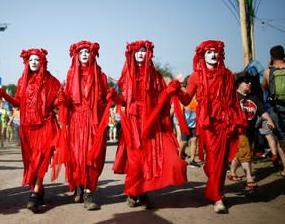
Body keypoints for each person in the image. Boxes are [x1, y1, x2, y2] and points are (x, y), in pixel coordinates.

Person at [169, 40, 245, 213]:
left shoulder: (227, 75)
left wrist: (237, 120)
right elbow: (187, 99)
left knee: (222, 159)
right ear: (202, 55)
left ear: (220, 54)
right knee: (213, 159)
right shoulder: (195, 76)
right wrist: (176, 90)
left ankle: (217, 194)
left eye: (215, 51)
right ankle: (217, 195)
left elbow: (233, 100)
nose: (213, 54)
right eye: (209, 52)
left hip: (224, 122)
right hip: (207, 124)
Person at [111, 40, 187, 209]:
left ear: (148, 54)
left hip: (151, 122)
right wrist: (114, 97)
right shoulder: (126, 76)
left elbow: (161, 100)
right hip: (132, 123)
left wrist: (169, 91)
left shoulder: (156, 76)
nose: (141, 53)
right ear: (132, 54)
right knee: (135, 161)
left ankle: (143, 191)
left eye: (144, 51)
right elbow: (122, 100)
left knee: (149, 159)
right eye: (137, 51)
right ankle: (132, 192)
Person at [0, 48, 61, 212]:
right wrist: (4, 95)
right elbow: (18, 103)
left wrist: (60, 100)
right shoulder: (21, 81)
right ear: (27, 62)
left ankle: (33, 194)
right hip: (27, 127)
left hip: (45, 125)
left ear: (42, 62)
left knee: (41, 159)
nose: (33, 62)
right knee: (31, 162)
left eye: (36, 60)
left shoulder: (52, 81)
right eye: (30, 59)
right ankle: (38, 189)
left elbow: (54, 104)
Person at [55, 40, 109, 211]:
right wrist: (62, 100)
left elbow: (105, 98)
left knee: (91, 158)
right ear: (76, 55)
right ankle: (78, 185)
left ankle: (88, 193)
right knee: (76, 158)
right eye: (82, 52)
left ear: (93, 54)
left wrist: (109, 98)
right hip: (76, 121)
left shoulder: (100, 75)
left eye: (88, 51)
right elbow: (65, 100)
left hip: (93, 122)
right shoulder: (70, 75)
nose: (85, 54)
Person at [262, 45, 285, 177]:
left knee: (281, 142)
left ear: (271, 57)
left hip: (277, 110)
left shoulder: (267, 72)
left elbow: (264, 87)